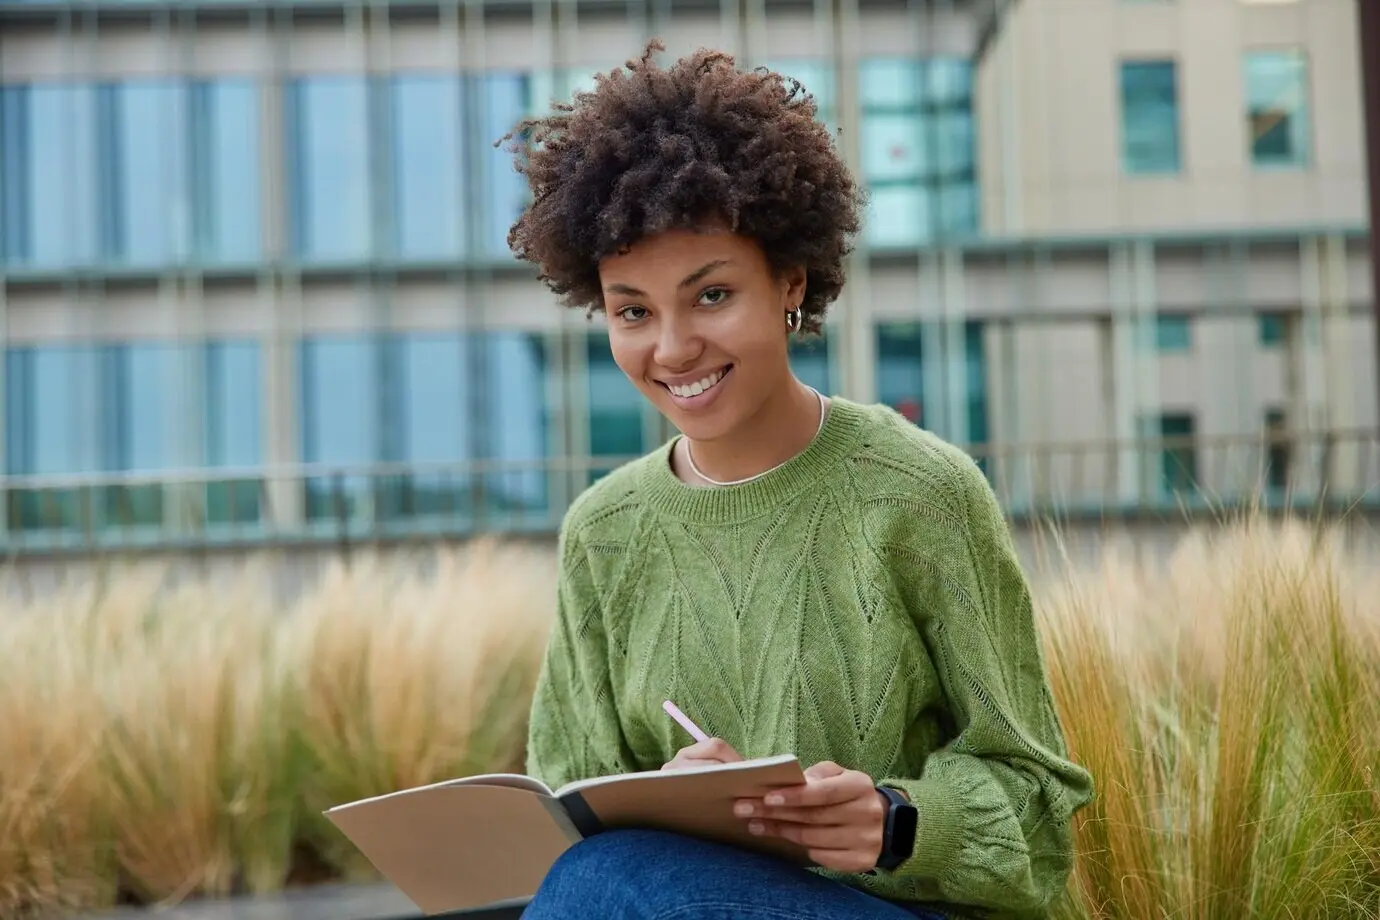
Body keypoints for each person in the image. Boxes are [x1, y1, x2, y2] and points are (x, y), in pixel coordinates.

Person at [501, 40, 1095, 920]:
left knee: (602, 883)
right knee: (596, 877)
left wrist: (897, 822)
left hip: (903, 909)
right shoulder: (603, 531)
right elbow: (564, 811)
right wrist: (662, 796)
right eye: (633, 310)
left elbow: (1040, 815)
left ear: (791, 281)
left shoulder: (919, 493)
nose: (671, 349)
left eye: (710, 296)